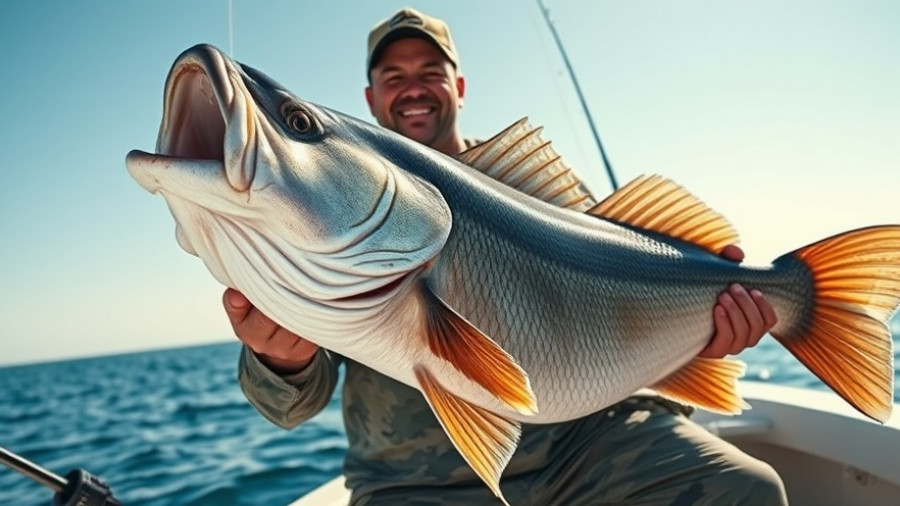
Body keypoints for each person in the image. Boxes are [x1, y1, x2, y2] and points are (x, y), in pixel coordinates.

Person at [229, 8, 786, 505]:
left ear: (459, 86)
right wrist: (282, 361)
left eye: (430, 72)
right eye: (393, 76)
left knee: (747, 491)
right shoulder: (330, 203)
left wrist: (709, 334)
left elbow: (623, 302)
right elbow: (290, 408)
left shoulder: (539, 191)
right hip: (416, 480)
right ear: (370, 98)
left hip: (590, 443)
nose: (413, 88)